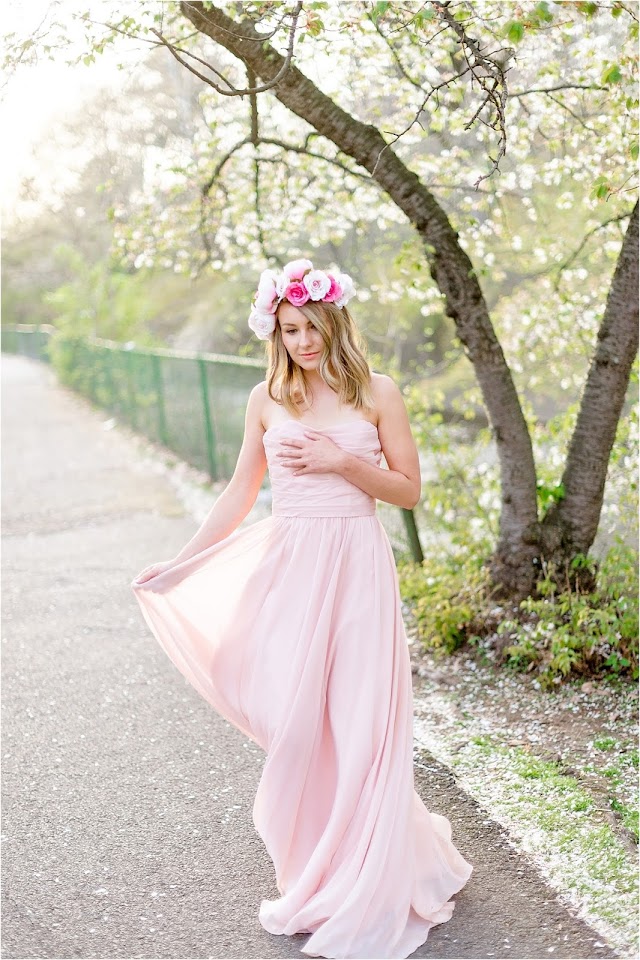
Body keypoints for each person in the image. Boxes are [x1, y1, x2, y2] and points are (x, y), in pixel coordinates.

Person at [131, 258, 473, 959]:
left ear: (334, 323)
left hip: (356, 570)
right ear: (276, 333)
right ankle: (317, 860)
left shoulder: (377, 392)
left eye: (312, 327)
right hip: (291, 571)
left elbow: (409, 492)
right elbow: (237, 493)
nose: (303, 342)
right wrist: (182, 561)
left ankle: (365, 875)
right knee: (297, 725)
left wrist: (340, 461)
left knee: (357, 723)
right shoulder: (265, 398)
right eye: (289, 330)